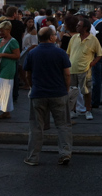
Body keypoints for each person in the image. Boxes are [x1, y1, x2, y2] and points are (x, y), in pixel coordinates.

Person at [23, 27, 73, 166]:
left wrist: (32, 86)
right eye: (54, 35)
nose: (56, 36)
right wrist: (66, 88)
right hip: (58, 93)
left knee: (36, 126)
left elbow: (27, 73)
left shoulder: (32, 53)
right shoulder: (60, 53)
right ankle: (65, 153)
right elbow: (67, 74)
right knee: (63, 125)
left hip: (38, 93)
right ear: (51, 37)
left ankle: (33, 157)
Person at [67, 18, 102, 121]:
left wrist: (92, 63)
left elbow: (99, 54)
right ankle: (73, 111)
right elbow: (68, 52)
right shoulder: (74, 38)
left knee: (86, 91)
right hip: (72, 69)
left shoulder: (93, 39)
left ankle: (88, 110)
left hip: (85, 70)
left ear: (85, 28)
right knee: (72, 92)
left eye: (79, 25)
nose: (76, 27)